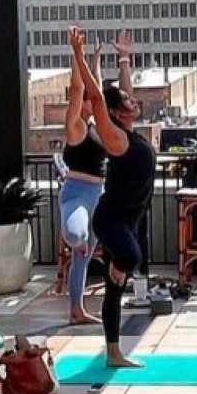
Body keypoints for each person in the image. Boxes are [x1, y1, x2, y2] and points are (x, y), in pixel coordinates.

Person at [69, 27, 155, 369]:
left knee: (115, 289)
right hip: (111, 218)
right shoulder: (115, 137)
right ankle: (118, 272)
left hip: (131, 218)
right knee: (130, 258)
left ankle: (113, 352)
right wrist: (78, 56)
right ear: (120, 112)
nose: (133, 100)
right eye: (128, 101)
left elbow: (122, 92)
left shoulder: (130, 132)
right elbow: (97, 98)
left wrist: (123, 58)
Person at [59, 32, 134, 325]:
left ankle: (76, 310)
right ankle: (74, 242)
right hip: (76, 194)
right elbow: (79, 90)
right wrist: (77, 57)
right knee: (77, 238)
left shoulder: (101, 126)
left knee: (85, 256)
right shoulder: (76, 127)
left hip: (97, 197)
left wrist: (98, 59)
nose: (95, 97)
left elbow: (100, 94)